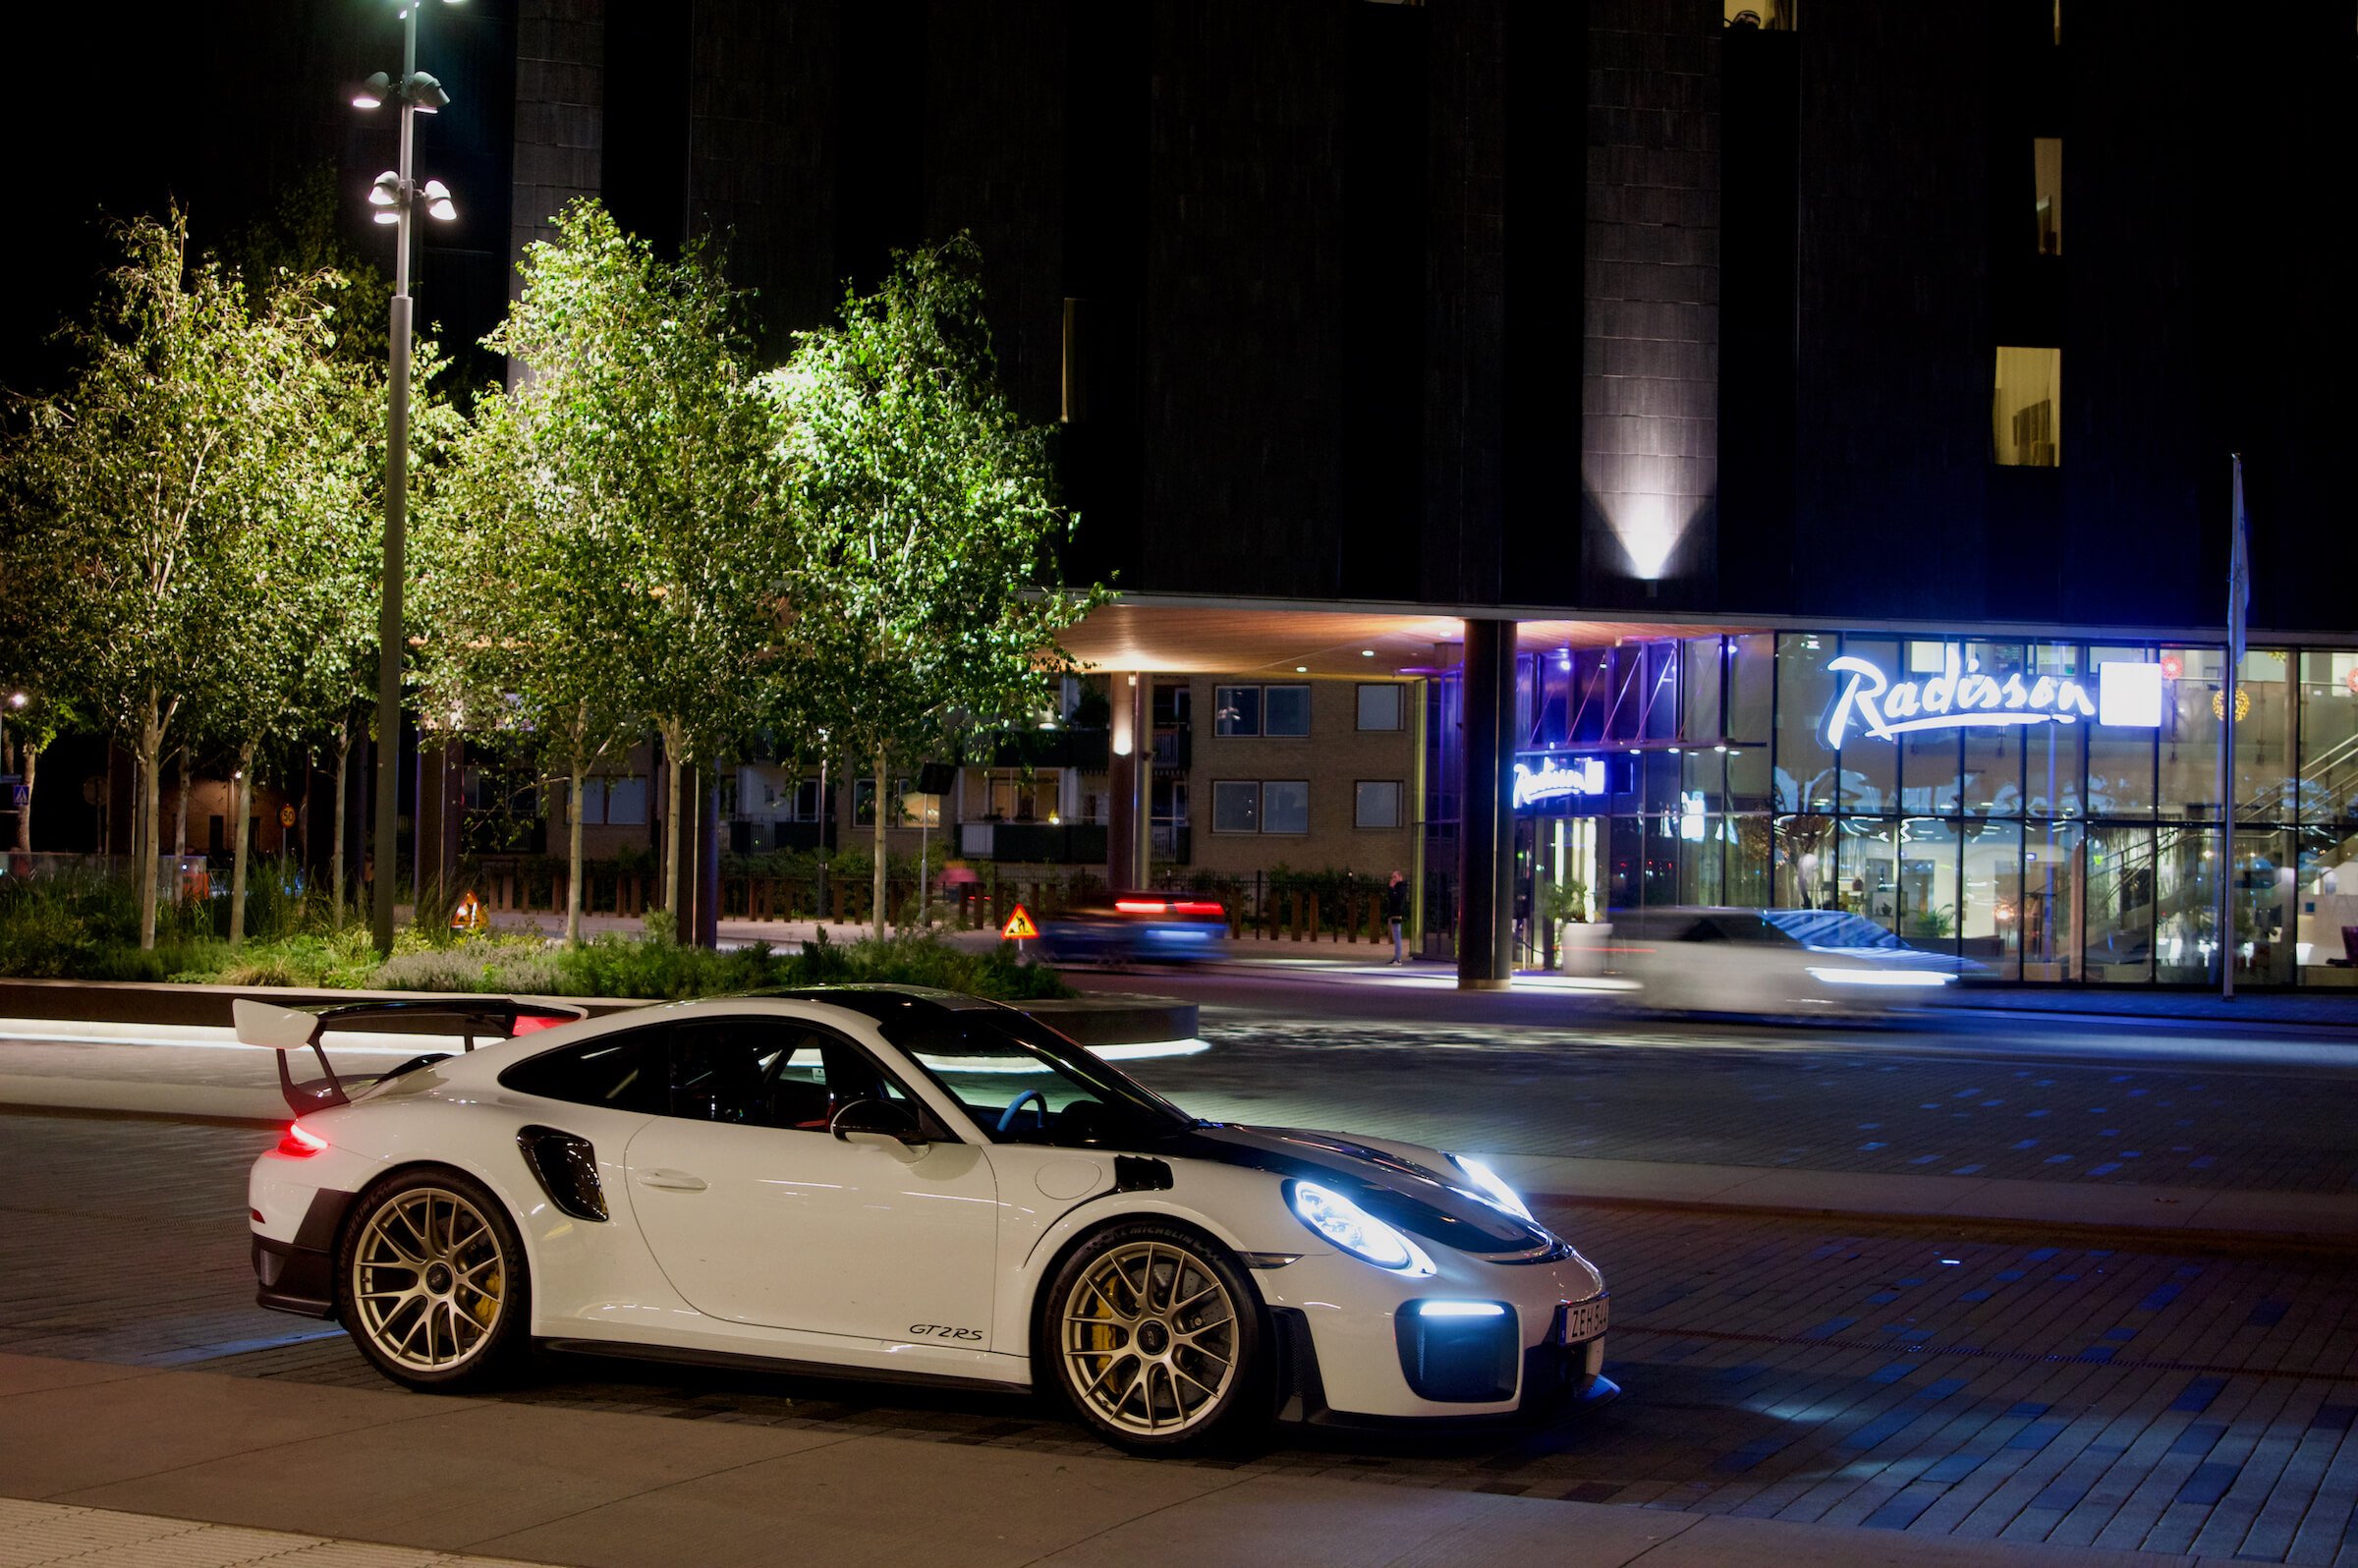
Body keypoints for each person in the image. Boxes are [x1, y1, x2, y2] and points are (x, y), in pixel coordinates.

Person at [1383, 870, 1408, 965]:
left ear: (1399, 877)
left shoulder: (1400, 888)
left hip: (1397, 913)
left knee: (1397, 937)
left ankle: (1398, 958)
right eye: (1392, 877)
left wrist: (1391, 889)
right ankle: (1396, 957)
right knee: (1395, 936)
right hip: (1394, 913)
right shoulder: (1398, 888)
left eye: (1395, 877)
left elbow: (1396, 899)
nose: (1393, 879)